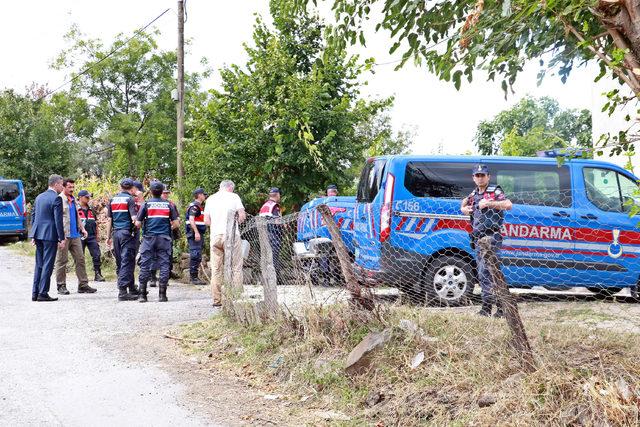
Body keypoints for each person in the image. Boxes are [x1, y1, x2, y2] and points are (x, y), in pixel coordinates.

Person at [460, 164, 512, 317]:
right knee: (483, 273)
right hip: (478, 238)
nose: (480, 178)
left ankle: (498, 308)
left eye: (483, 175)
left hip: (491, 238)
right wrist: (463, 208)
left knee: (490, 272)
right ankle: (489, 308)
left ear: (488, 177)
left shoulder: (494, 191)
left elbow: (508, 205)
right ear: (473, 178)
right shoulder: (474, 193)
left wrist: (489, 203)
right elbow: (464, 202)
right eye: (477, 175)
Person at [136, 181, 180, 302]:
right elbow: (176, 224)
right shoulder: (168, 205)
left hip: (148, 238)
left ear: (150, 191)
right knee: (165, 265)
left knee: (145, 265)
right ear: (162, 192)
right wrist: (167, 228)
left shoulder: (146, 204)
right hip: (164, 239)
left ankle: (142, 295)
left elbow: (138, 224)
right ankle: (162, 295)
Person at [204, 180, 246, 307]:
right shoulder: (234, 197)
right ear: (230, 188)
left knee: (216, 269)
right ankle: (235, 297)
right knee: (236, 267)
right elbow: (242, 215)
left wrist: (217, 226)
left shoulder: (210, 199)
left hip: (216, 236)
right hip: (232, 235)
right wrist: (236, 223)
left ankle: (217, 300)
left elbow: (206, 220)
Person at [54, 178, 96, 295]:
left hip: (75, 235)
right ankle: (61, 285)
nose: (72, 189)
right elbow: (56, 219)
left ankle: (83, 285)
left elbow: (77, 215)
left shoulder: (73, 200)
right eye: (69, 187)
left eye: (73, 187)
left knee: (80, 259)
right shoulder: (59, 199)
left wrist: (82, 228)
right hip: (64, 235)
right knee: (62, 261)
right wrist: (59, 236)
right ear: (63, 187)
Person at [30, 175, 66, 302]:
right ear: (56, 184)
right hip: (50, 234)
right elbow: (58, 220)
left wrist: (33, 234)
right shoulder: (56, 198)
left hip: (38, 233)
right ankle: (43, 293)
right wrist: (61, 238)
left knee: (39, 264)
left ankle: (35, 293)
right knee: (48, 264)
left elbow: (33, 215)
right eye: (62, 184)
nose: (63, 187)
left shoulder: (39, 197)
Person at [106, 178, 140, 301]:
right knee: (128, 261)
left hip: (116, 234)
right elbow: (134, 219)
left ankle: (132, 288)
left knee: (121, 261)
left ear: (120, 187)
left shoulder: (112, 199)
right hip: (127, 234)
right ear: (131, 188)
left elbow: (109, 220)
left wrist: (108, 236)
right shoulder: (130, 199)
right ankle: (122, 291)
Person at [77, 190, 105, 282]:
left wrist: (97, 235)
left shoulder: (91, 209)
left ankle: (98, 274)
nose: (89, 199)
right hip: (79, 236)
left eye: (89, 197)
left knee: (96, 254)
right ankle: (82, 277)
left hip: (91, 236)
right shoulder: (75, 209)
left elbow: (95, 223)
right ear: (80, 197)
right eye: (87, 197)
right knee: (80, 257)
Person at [259, 187, 285, 285]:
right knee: (274, 257)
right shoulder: (275, 206)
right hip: (274, 235)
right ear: (278, 195)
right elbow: (277, 221)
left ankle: (266, 279)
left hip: (264, 235)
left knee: (266, 258)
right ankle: (275, 280)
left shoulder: (264, 206)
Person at [185, 188, 207, 285]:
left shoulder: (199, 206)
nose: (205, 196)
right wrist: (196, 232)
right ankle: (193, 278)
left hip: (197, 233)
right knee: (195, 254)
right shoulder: (195, 206)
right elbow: (191, 219)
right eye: (203, 194)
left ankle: (195, 277)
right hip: (194, 233)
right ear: (199, 195)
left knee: (197, 255)